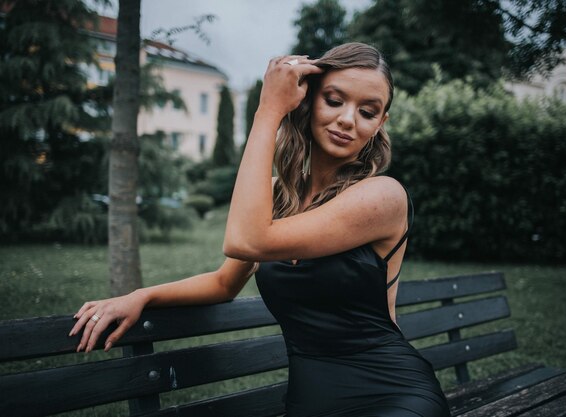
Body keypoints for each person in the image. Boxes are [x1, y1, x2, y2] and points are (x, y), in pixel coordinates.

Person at [69, 42, 451, 417]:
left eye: (368, 111)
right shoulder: (275, 197)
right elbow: (224, 283)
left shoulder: (383, 197)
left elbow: (245, 239)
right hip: (312, 397)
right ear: (307, 100)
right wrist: (143, 295)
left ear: (380, 123)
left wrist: (267, 110)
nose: (348, 119)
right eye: (334, 100)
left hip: (394, 392)